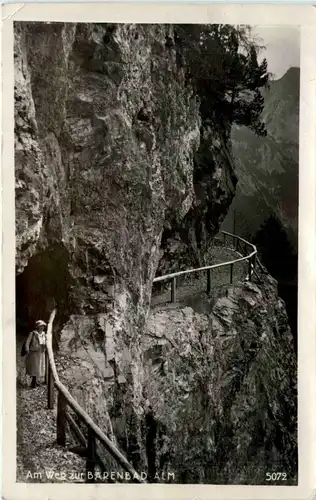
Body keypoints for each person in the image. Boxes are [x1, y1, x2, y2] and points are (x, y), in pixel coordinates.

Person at [25, 320, 47, 388]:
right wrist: (27, 349)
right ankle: (33, 383)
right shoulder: (33, 333)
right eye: (40, 326)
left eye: (43, 326)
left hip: (41, 352)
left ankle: (36, 382)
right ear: (37, 327)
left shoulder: (44, 334)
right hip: (34, 352)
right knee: (34, 367)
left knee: (39, 367)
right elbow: (27, 342)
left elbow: (46, 342)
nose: (42, 327)